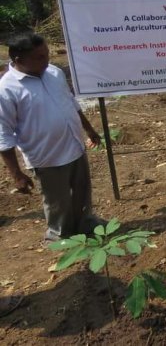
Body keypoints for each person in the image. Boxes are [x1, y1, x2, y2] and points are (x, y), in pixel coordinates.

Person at [0, 32, 104, 242]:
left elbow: (71, 104)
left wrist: (89, 130)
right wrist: (17, 175)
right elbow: (3, 134)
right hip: (47, 156)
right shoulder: (7, 89)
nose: (46, 60)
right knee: (58, 200)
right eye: (39, 57)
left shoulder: (54, 73)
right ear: (19, 60)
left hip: (74, 146)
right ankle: (60, 236)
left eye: (47, 54)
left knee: (82, 191)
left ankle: (85, 223)